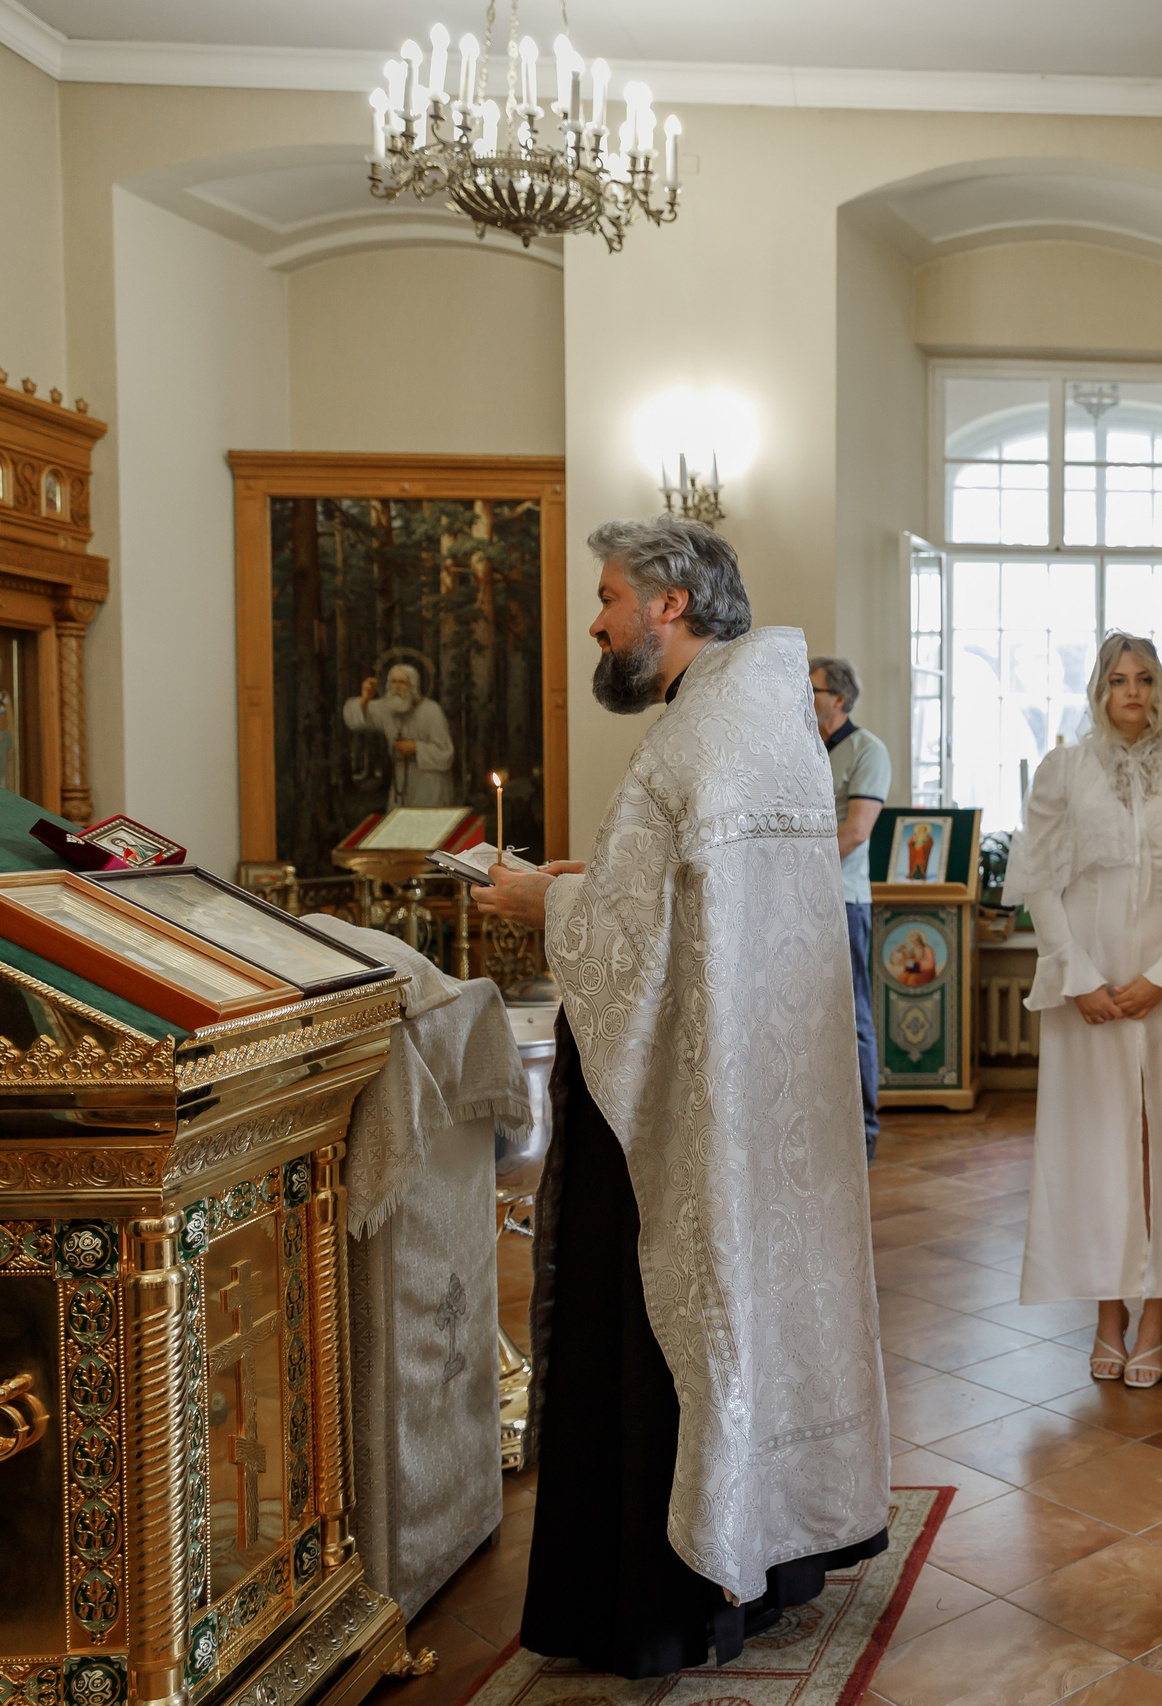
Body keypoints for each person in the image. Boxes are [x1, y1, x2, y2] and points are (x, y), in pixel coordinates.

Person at [479, 516, 892, 1677]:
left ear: (670, 603)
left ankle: (652, 1594)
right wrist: (588, 879)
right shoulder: (759, 722)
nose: (597, 620)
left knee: (652, 1318)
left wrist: (538, 906)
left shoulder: (694, 741)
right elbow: (687, 905)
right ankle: (768, 1560)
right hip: (755, 1095)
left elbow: (637, 944)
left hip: (668, 1100)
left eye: (609, 596)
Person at [1012, 633, 1162, 1388]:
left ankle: (1159, 1313)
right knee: (1096, 1147)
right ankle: (1108, 1314)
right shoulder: (1063, 771)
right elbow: (1037, 880)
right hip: (1086, 993)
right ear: (1098, 691)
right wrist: (1081, 978)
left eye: (1146, 678)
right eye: (1117, 680)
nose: (1132, 692)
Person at [812, 655, 891, 1163]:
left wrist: (796, 869)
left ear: (838, 700)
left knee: (853, 1013)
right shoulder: (799, 749)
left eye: (811, 690)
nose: (803, 698)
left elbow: (856, 831)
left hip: (842, 900)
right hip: (797, 902)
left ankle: (863, 1128)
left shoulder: (868, 750)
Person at [342, 662, 458, 808]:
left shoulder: (431, 711)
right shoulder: (387, 708)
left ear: (413, 685)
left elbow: (446, 753)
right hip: (400, 781)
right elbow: (354, 721)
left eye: (402, 682)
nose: (396, 687)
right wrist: (365, 698)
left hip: (430, 782)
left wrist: (416, 748)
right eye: (393, 682)